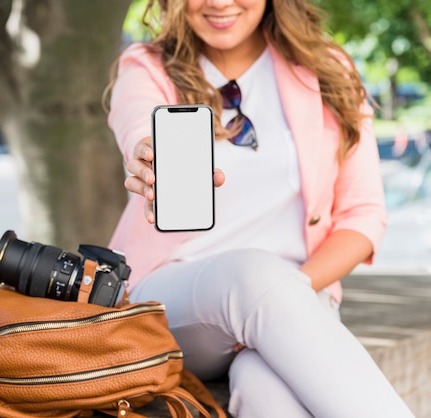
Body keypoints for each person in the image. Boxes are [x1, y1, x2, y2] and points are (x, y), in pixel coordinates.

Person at [103, 0, 414, 416]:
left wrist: (284, 295)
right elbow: (138, 122)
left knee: (271, 395)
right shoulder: (148, 66)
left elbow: (363, 214)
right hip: (171, 303)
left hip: (297, 294)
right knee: (252, 275)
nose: (218, 2)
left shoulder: (327, 68)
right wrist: (147, 152)